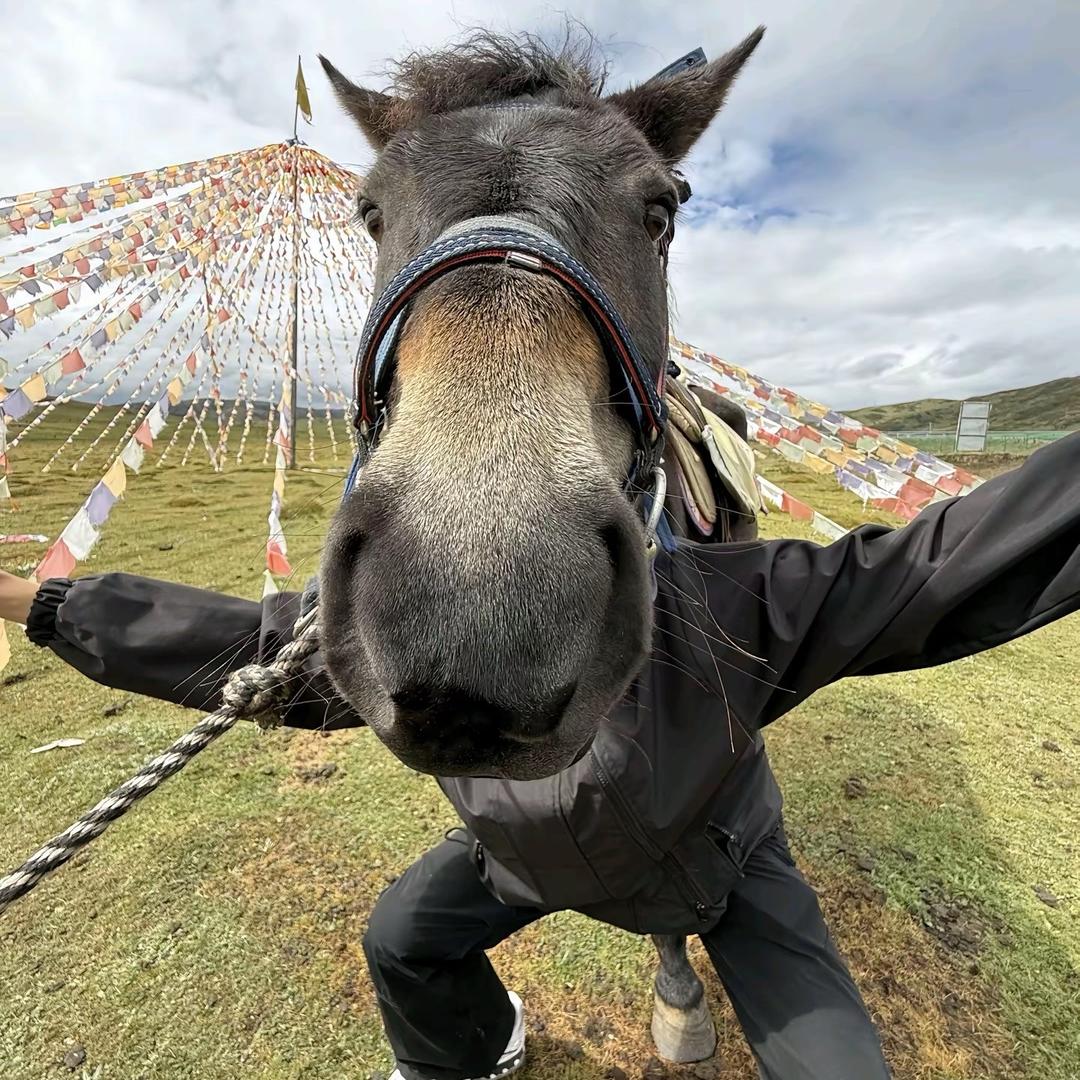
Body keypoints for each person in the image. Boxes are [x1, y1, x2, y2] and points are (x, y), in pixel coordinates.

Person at [3, 429, 1079, 1080]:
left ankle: (681, 958)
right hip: (521, 856)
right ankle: (468, 1050)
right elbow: (247, 645)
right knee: (402, 940)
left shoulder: (728, 603)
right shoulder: (414, 622)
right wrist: (38, 602)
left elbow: (925, 565)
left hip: (717, 859)